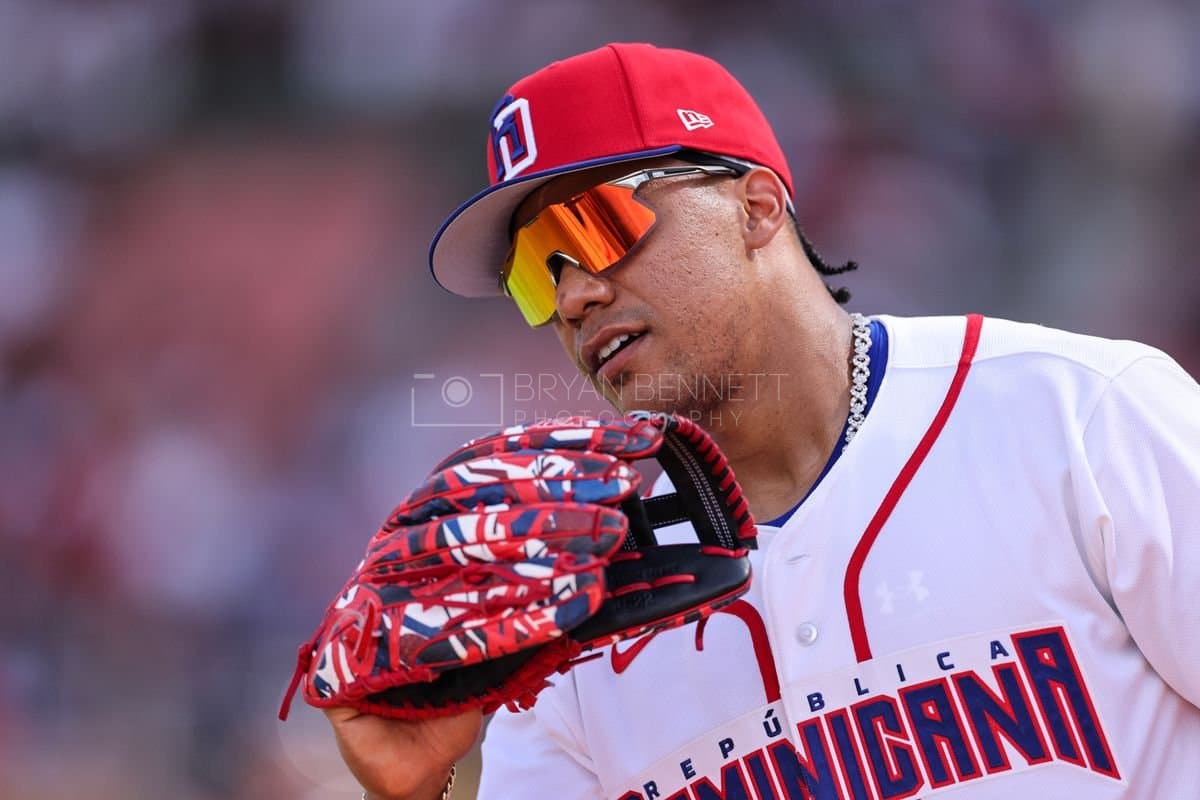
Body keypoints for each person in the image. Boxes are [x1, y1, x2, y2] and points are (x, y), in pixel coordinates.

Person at [323, 42, 1200, 800]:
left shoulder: (1078, 417)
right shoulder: (569, 605)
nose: (575, 295)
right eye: (532, 273)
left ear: (755, 208)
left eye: (594, 226)